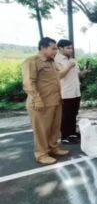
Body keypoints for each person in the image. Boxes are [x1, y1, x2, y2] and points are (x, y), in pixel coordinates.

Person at [22, 37, 70, 165]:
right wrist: (36, 99)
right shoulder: (32, 61)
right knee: (42, 130)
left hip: (55, 101)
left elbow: (57, 77)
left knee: (54, 128)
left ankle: (53, 148)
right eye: (53, 48)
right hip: (40, 103)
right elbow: (28, 82)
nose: (55, 51)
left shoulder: (52, 62)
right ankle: (41, 154)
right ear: (43, 48)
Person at [55, 39, 89, 144]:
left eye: (71, 48)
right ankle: (65, 136)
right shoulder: (56, 60)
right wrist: (69, 66)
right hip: (65, 93)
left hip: (75, 92)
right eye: (68, 48)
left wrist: (84, 72)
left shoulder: (73, 60)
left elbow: (77, 75)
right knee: (66, 116)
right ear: (60, 48)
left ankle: (72, 133)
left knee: (74, 114)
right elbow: (59, 75)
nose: (70, 50)